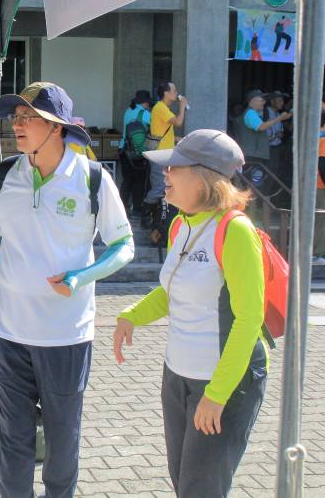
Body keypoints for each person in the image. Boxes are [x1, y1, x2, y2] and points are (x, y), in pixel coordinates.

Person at [0, 82, 134, 497]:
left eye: (28, 118)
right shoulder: (4, 174)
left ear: (57, 127)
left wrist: (82, 276)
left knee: (62, 442)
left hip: (66, 335)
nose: (17, 126)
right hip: (8, 333)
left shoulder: (92, 179)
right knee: (13, 440)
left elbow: (123, 245)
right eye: (16, 118)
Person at [114, 129, 268, 498]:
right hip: (177, 376)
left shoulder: (235, 231)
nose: (165, 175)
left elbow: (249, 320)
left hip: (221, 384)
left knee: (202, 489)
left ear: (203, 176)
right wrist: (131, 315)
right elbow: (172, 292)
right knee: (185, 483)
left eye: (173, 169)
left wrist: (216, 396)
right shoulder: (180, 224)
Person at [143, 82, 187, 225]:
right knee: (159, 188)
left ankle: (155, 218)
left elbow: (160, 131)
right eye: (174, 91)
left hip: (165, 154)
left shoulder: (162, 108)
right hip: (159, 154)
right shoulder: (160, 108)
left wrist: (175, 139)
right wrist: (182, 105)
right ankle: (145, 216)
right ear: (166, 93)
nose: (176, 93)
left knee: (162, 187)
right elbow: (178, 122)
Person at [233, 89, 291, 165]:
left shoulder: (254, 113)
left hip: (252, 154)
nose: (264, 102)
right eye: (261, 100)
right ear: (253, 100)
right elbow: (261, 127)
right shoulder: (250, 113)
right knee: (254, 176)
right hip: (251, 155)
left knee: (257, 175)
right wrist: (280, 118)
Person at [119, 90, 152, 217]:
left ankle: (122, 208)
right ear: (145, 102)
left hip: (124, 149)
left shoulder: (128, 111)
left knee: (127, 181)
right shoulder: (145, 114)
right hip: (138, 152)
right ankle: (137, 209)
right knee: (140, 181)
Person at [315, 111, 325, 262]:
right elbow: (323, 165)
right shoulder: (323, 138)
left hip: (319, 184)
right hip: (320, 185)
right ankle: (318, 253)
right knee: (321, 218)